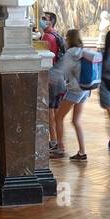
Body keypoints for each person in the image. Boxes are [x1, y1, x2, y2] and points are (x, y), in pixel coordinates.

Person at [50, 29, 97, 161]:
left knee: (58, 118)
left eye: (66, 38)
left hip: (75, 90)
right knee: (76, 121)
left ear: (69, 39)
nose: (64, 40)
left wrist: (49, 77)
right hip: (85, 90)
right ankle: (82, 152)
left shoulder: (71, 53)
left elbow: (61, 69)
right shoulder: (83, 51)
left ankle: (60, 148)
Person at [40, 12, 66, 152]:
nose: (41, 21)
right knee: (57, 111)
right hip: (60, 77)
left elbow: (44, 60)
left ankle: (53, 140)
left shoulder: (47, 37)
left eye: (44, 19)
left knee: (50, 110)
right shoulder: (57, 35)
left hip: (51, 77)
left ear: (51, 22)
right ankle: (59, 141)